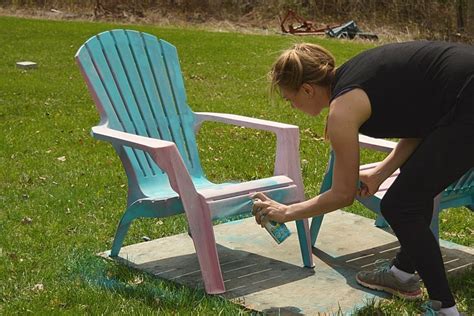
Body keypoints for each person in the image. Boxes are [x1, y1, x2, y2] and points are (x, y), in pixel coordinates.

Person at [251, 41, 473, 316]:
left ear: (307, 89)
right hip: (460, 97)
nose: (292, 106)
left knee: (401, 205)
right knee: (411, 193)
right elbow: (421, 122)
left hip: (466, 102)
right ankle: (402, 275)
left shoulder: (342, 110)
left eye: (290, 99)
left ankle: (445, 310)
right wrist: (381, 172)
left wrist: (287, 212)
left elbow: (343, 194)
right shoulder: (355, 77)